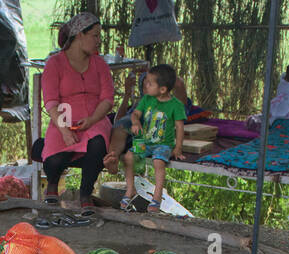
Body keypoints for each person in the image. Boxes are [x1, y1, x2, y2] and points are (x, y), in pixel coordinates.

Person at [39, 12, 113, 209]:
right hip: (63, 119)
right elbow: (51, 102)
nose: (98, 41)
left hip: (94, 120)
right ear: (80, 35)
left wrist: (92, 119)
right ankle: (52, 184)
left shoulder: (100, 65)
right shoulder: (54, 64)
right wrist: (64, 130)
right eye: (95, 36)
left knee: (97, 144)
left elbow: (107, 99)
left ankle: (85, 193)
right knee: (54, 160)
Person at [122, 63, 185, 213]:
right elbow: (135, 114)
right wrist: (136, 122)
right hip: (146, 142)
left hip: (163, 145)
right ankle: (130, 190)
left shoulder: (175, 105)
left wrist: (177, 148)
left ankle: (157, 197)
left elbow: (180, 127)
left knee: (158, 162)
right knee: (129, 157)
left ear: (162, 89)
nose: (146, 86)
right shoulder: (146, 100)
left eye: (150, 84)